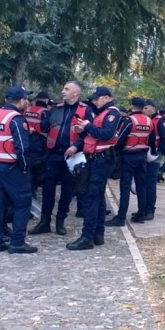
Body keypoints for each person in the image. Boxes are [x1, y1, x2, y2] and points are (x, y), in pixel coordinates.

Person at [29, 81, 92, 236]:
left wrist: (76, 146)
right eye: (63, 88)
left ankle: (60, 220)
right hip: (53, 154)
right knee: (48, 189)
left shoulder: (85, 110)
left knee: (68, 190)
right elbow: (44, 127)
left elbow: (89, 135)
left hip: (73, 156)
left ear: (75, 93)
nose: (62, 91)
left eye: (66, 89)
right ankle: (44, 221)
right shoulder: (56, 109)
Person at [0, 86, 37, 254]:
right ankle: (17, 242)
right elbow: (22, 147)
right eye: (26, 99)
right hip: (12, 166)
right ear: (21, 100)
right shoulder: (16, 118)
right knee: (23, 202)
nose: (27, 102)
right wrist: (25, 167)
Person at [66, 86, 120, 250]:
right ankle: (98, 235)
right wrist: (81, 135)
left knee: (91, 198)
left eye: (96, 99)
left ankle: (87, 237)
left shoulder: (112, 113)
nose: (94, 102)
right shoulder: (101, 113)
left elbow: (106, 134)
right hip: (96, 159)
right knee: (98, 198)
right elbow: (93, 136)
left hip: (101, 160)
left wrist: (88, 126)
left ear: (106, 97)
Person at [105, 97, 154, 226]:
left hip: (129, 156)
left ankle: (121, 217)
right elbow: (152, 141)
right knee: (141, 186)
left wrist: (116, 152)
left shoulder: (129, 120)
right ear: (144, 107)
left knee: (125, 187)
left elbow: (120, 139)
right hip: (142, 156)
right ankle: (141, 214)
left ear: (132, 105)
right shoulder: (149, 121)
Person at [144, 100, 165, 220]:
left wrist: (158, 153)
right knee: (143, 183)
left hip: (154, 155)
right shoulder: (145, 120)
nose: (144, 110)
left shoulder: (160, 121)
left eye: (146, 108)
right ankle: (142, 208)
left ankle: (150, 210)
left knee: (150, 183)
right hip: (144, 154)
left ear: (153, 109)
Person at [24, 91, 50, 196]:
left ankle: (28, 188)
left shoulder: (27, 110)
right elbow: (46, 127)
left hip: (26, 138)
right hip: (38, 140)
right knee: (36, 166)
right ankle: (32, 190)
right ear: (46, 100)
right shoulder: (45, 112)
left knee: (27, 165)